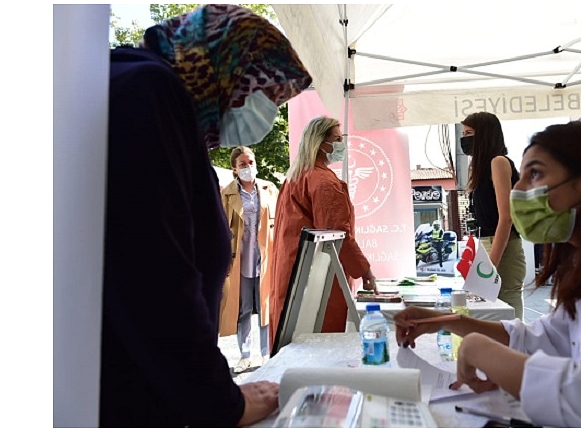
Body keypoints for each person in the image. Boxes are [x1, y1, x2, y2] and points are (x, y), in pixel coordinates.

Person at [101, 5, 311, 427]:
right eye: (265, 92)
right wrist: (222, 401)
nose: (267, 111)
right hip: (133, 396)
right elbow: (154, 273)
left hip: (146, 386)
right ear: (226, 66)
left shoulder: (162, 102)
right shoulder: (148, 90)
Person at [394, 121, 581, 427]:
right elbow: (548, 338)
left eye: (536, 174)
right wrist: (452, 322)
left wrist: (479, 348)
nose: (519, 191)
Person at [269, 116, 378, 346]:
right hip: (318, 278)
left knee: (292, 343)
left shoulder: (295, 177)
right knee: (322, 345)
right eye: (337, 139)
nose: (342, 144)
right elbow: (338, 235)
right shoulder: (323, 181)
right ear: (320, 143)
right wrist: (364, 270)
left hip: (292, 270)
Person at [461, 112, 526, 320]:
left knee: (506, 313)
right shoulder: (483, 167)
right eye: (463, 133)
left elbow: (506, 217)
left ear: (486, 135)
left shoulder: (498, 162)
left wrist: (490, 266)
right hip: (490, 244)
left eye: (469, 133)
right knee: (492, 313)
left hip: (503, 246)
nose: (465, 139)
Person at [219, 146, 278, 373]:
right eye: (243, 164)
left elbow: (279, 222)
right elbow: (221, 228)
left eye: (251, 162)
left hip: (265, 257)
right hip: (240, 259)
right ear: (234, 169)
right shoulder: (227, 194)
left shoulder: (269, 188)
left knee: (265, 307)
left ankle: (265, 354)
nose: (248, 167)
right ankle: (244, 355)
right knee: (243, 308)